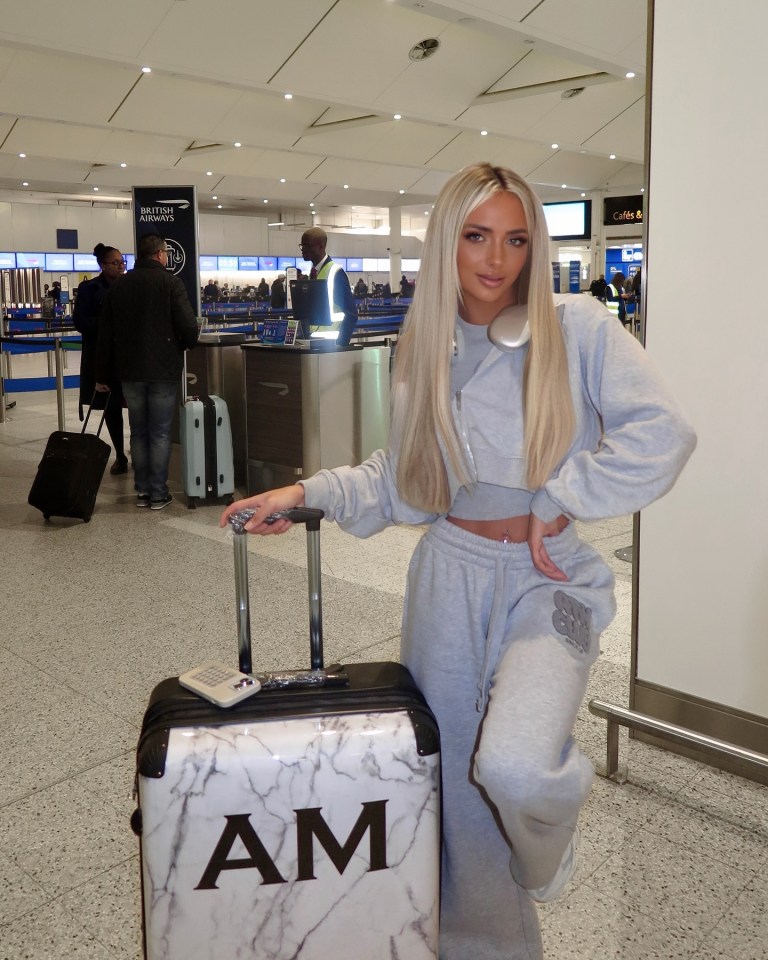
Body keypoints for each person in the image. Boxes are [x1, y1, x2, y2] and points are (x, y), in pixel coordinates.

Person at [221, 162, 696, 960]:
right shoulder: (426, 352)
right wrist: (305, 492)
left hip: (552, 585)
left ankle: (545, 855)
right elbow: (403, 484)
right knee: (454, 796)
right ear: (448, 242)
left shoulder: (575, 326)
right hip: (449, 577)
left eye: (516, 238)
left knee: (511, 767)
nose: (496, 259)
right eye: (477, 237)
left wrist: (563, 495)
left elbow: (665, 433)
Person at [95, 233, 198, 511]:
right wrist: (186, 342)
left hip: (129, 370)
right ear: (161, 255)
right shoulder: (171, 283)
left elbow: (105, 334)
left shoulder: (119, 286)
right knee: (161, 433)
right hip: (163, 371)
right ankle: (158, 493)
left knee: (138, 431)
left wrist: (102, 375)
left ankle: (141, 491)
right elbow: (189, 328)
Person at [72, 244, 128, 474]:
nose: (121, 267)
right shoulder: (89, 289)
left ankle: (139, 453)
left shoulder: (130, 286)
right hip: (103, 358)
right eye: (116, 263)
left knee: (135, 406)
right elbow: (81, 322)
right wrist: (110, 326)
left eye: (123, 262)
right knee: (111, 408)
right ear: (103, 265)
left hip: (129, 357)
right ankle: (120, 455)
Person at [299, 227, 358, 345]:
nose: (303, 249)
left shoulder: (335, 273)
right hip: (315, 344)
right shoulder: (313, 273)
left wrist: (341, 344)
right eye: (302, 245)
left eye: (307, 245)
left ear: (321, 246)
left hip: (332, 346)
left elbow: (351, 313)